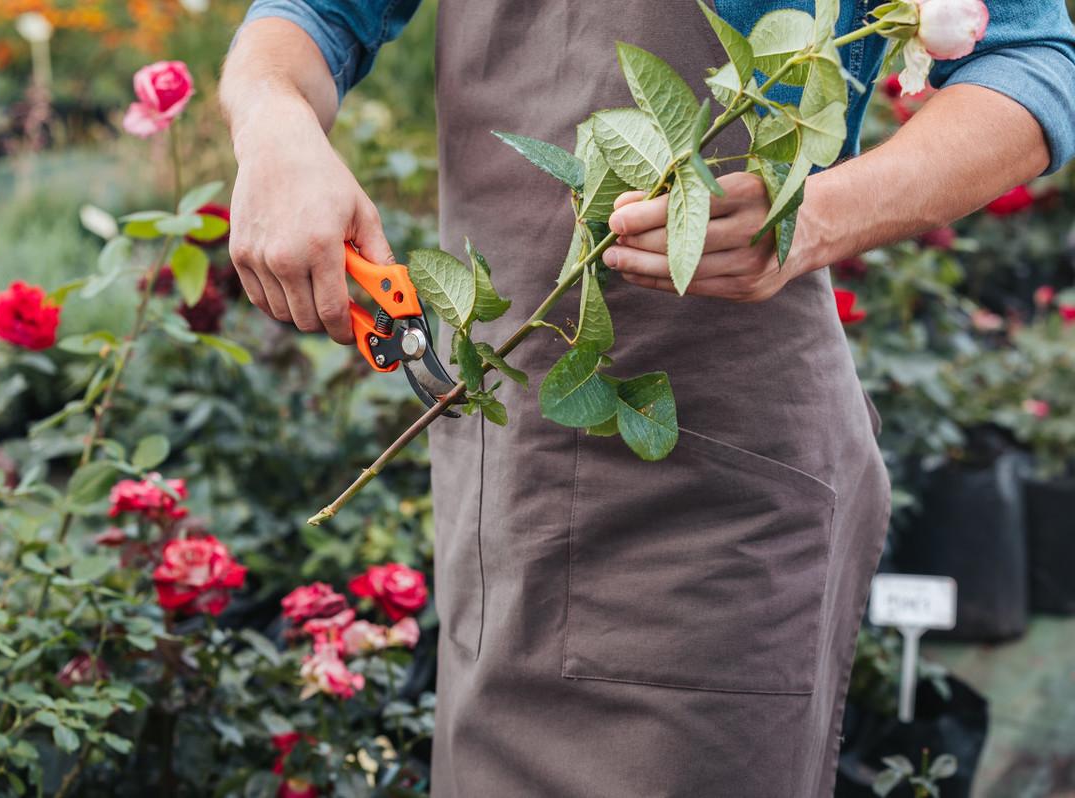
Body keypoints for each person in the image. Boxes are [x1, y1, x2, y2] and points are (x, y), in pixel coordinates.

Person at [221, 2, 1075, 795]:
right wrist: (273, 122)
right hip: (506, 477)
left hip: (711, 506)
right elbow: (314, 15)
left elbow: (1033, 62)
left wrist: (811, 216)